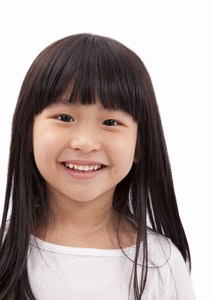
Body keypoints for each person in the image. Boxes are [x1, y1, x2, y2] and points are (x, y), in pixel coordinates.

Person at [0, 33, 196, 300]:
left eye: (111, 122)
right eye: (64, 117)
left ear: (140, 145)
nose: (86, 143)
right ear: (27, 132)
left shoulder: (161, 264)